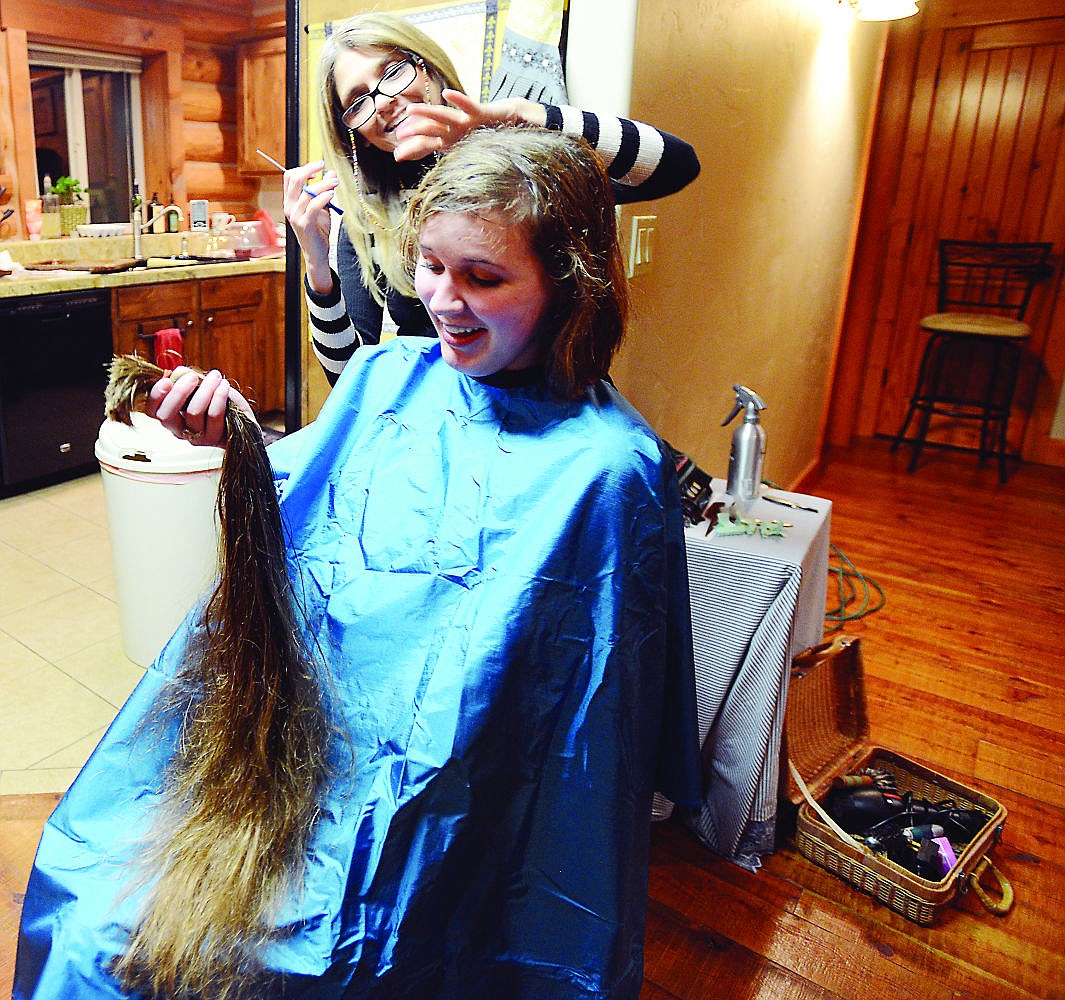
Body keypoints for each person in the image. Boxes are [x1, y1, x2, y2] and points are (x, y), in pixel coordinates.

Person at [14, 127, 700, 999]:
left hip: (445, 805)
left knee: (315, 958)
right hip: (300, 748)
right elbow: (302, 484)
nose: (444, 300)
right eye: (430, 265)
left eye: (483, 277)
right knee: (89, 905)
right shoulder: (386, 375)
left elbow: (586, 727)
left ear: (568, 286)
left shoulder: (608, 469)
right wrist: (232, 434)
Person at [286, 11, 701, 385]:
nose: (385, 101)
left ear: (427, 69)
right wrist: (317, 266)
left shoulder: (518, 164)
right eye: (358, 100)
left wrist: (526, 117)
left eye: (393, 72)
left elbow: (676, 165)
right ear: (350, 130)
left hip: (559, 418)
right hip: (450, 430)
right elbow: (349, 379)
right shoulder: (370, 217)